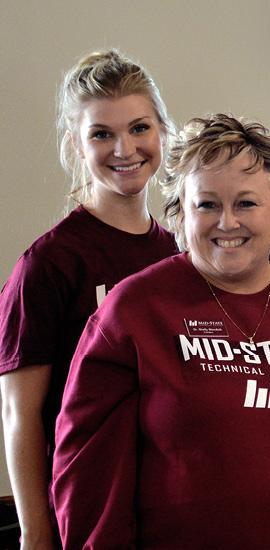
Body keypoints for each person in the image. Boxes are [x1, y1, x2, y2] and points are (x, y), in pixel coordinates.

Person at [51, 115, 270, 549]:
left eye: (247, 204)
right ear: (180, 212)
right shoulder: (133, 313)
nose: (228, 223)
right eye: (207, 205)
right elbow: (87, 478)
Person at [0, 49, 177, 549]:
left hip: (166, 508)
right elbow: (20, 414)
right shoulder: (49, 264)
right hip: (84, 515)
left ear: (162, 130)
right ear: (77, 145)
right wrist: (36, 534)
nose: (125, 148)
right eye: (102, 134)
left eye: (140, 127)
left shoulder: (179, 254)